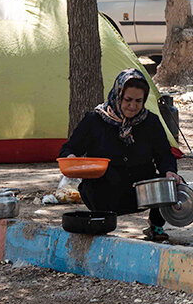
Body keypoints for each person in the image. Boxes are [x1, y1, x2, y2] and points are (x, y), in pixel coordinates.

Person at [60, 68, 179, 242]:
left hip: (140, 189)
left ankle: (156, 225)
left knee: (169, 182)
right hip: (105, 188)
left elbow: (164, 155)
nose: (133, 106)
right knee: (96, 189)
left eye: (139, 101)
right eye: (128, 100)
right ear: (118, 95)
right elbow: (69, 148)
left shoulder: (150, 122)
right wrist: (71, 157)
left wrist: (170, 171)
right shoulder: (95, 120)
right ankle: (102, 224)